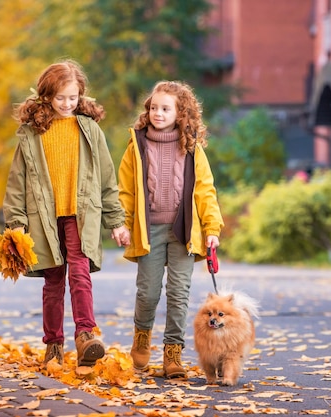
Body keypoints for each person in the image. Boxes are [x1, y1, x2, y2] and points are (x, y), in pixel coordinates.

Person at [3, 59, 130, 368]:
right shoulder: (32, 134)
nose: (66, 103)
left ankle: (86, 335)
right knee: (53, 280)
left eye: (72, 97)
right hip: (43, 218)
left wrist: (116, 222)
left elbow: (106, 179)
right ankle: (54, 345)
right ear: (47, 94)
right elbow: (17, 181)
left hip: (80, 215)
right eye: (60, 97)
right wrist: (16, 224)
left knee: (80, 272)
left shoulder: (90, 131)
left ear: (81, 95)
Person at [118, 80, 224, 378]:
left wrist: (212, 228)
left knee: (179, 294)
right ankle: (141, 337)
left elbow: (205, 191)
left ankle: (173, 354)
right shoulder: (136, 146)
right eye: (154, 108)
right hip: (149, 231)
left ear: (180, 113)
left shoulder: (192, 149)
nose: (158, 113)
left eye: (166, 108)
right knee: (148, 293)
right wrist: (124, 225)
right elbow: (125, 191)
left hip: (184, 232)